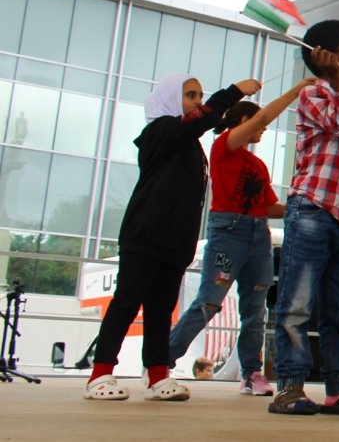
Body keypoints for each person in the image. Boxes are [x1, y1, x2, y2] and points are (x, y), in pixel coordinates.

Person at [84, 73, 259, 402]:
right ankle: (100, 373)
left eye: (199, 95)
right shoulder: (160, 131)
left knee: (161, 310)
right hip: (145, 236)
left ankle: (157, 375)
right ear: (168, 98)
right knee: (126, 303)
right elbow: (200, 121)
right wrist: (233, 92)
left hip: (174, 242)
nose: (196, 101)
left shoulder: (188, 144)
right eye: (190, 95)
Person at [166, 79, 312, 397]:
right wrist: (296, 90)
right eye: (257, 123)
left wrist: (302, 206)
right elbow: (261, 120)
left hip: (258, 235)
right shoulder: (223, 146)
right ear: (244, 120)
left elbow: (267, 206)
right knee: (209, 303)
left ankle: (251, 373)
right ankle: (162, 362)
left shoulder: (256, 164)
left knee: (255, 309)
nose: (262, 130)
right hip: (228, 234)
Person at [268, 19, 339, 416]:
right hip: (312, 210)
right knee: (297, 303)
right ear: (328, 58)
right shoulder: (314, 95)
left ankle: (338, 388)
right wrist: (336, 83)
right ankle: (290, 386)